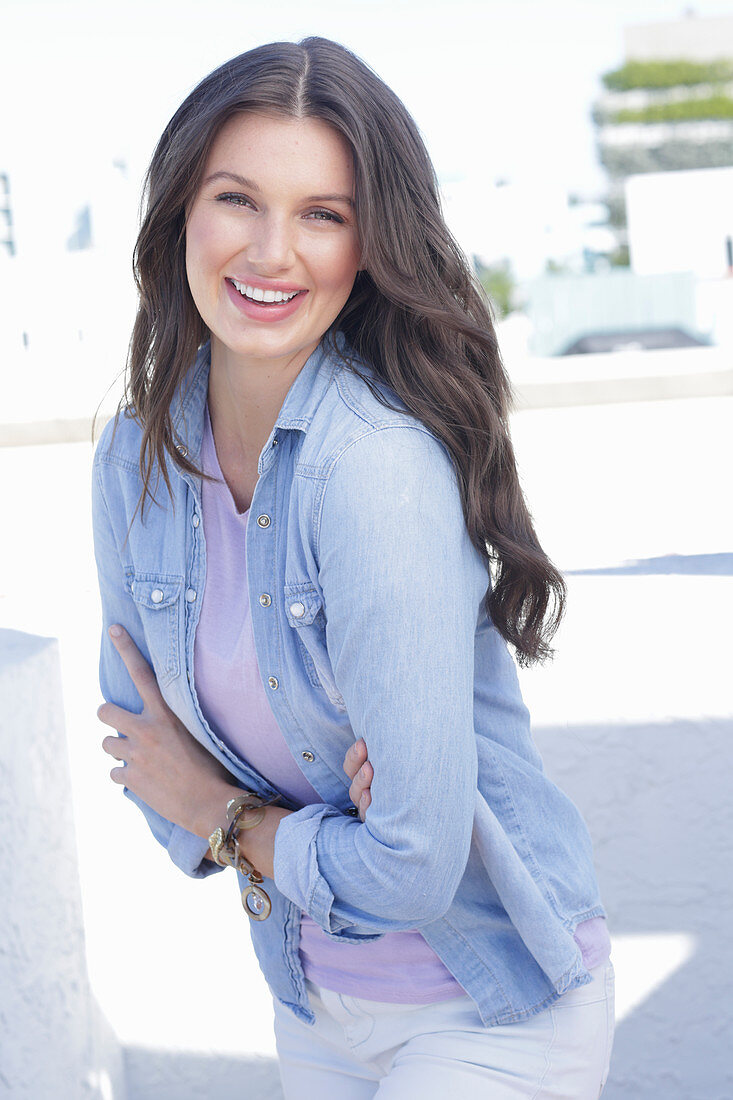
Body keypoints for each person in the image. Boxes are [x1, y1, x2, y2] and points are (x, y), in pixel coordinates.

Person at [92, 36, 614, 1098]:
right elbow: (153, 778)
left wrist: (235, 811)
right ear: (181, 212)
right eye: (238, 198)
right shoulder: (136, 456)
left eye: (322, 214)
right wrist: (321, 812)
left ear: (367, 245)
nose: (273, 251)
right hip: (314, 998)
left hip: (489, 1009)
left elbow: (413, 865)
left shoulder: (372, 467)